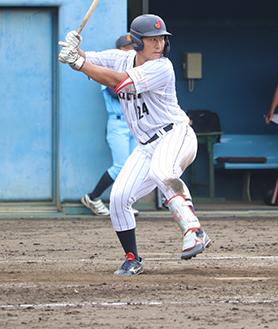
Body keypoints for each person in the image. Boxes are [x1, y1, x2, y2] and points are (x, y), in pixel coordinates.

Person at [59, 14, 211, 275]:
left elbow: (117, 82)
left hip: (175, 134)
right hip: (146, 146)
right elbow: (91, 60)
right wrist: (74, 49)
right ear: (137, 42)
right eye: (152, 40)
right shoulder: (122, 58)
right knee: (118, 198)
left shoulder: (162, 67)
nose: (159, 44)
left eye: (162, 39)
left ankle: (194, 230)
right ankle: (132, 258)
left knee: (162, 172)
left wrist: (78, 62)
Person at [81, 35, 138, 216]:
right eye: (126, 48)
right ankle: (93, 196)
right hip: (118, 123)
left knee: (134, 167)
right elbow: (118, 92)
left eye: (132, 47)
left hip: (135, 124)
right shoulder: (107, 72)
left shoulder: (136, 71)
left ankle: (123, 205)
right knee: (121, 166)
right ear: (118, 51)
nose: (129, 51)